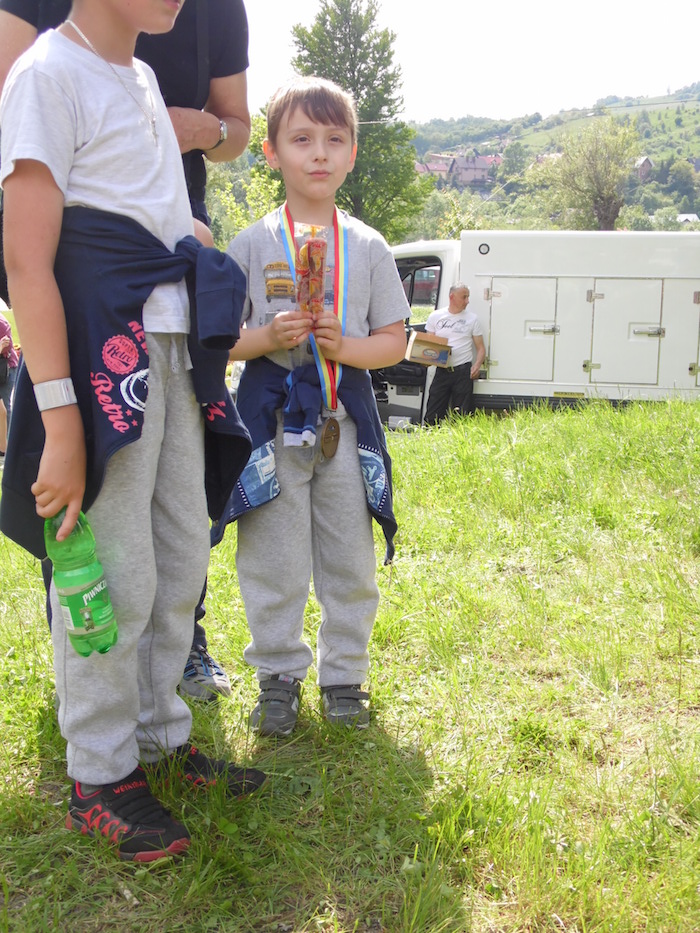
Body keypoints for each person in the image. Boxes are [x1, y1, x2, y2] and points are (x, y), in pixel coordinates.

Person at [0, 0, 264, 861]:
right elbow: (27, 262)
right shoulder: (46, 75)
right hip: (103, 354)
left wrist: (194, 242)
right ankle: (101, 771)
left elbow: (155, 217)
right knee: (113, 569)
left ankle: (158, 734)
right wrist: (61, 422)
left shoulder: (144, 77)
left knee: (179, 553)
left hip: (173, 347)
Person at [219, 76, 409, 738]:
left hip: (343, 424)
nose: (319, 153)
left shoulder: (369, 246)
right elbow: (221, 339)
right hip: (271, 425)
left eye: (334, 139)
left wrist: (346, 346)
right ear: (271, 152)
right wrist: (267, 338)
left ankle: (345, 677)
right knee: (272, 556)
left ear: (353, 152)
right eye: (301, 139)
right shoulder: (252, 244)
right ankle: (277, 677)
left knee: (350, 557)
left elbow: (395, 340)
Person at [423, 283, 486, 424]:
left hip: (463, 371)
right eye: (464, 297)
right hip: (442, 370)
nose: (467, 301)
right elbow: (428, 346)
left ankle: (459, 437)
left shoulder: (472, 319)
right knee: (433, 413)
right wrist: (425, 360)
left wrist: (476, 366)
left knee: (462, 416)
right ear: (452, 297)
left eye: (468, 297)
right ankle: (431, 435)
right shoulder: (436, 316)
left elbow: (481, 348)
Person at [0, 310, 19, 448]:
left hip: (6, 369)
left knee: (4, 406)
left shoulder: (1, 323)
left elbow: (6, 348)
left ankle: (7, 442)